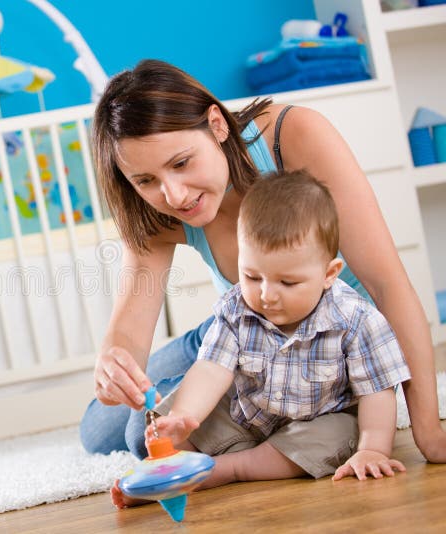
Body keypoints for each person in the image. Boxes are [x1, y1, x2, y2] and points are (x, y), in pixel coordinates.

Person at [80, 59, 445, 463]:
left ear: (216, 125)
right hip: (240, 329)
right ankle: (219, 397)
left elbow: (387, 285)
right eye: (146, 180)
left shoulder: (292, 136)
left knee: (141, 432)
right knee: (100, 430)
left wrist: (427, 430)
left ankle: (246, 411)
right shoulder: (153, 210)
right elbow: (130, 322)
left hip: (331, 343)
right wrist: (113, 360)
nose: (175, 196)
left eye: (181, 163)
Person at [111, 171, 409, 508]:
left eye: (288, 282)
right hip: (250, 412)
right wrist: (183, 417)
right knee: (167, 422)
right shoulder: (237, 308)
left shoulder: (356, 319)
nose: (267, 295)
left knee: (337, 436)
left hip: (321, 419)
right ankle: (167, 476)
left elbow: (378, 392)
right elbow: (210, 370)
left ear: (328, 274)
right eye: (252, 276)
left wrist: (373, 448)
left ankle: (224, 469)